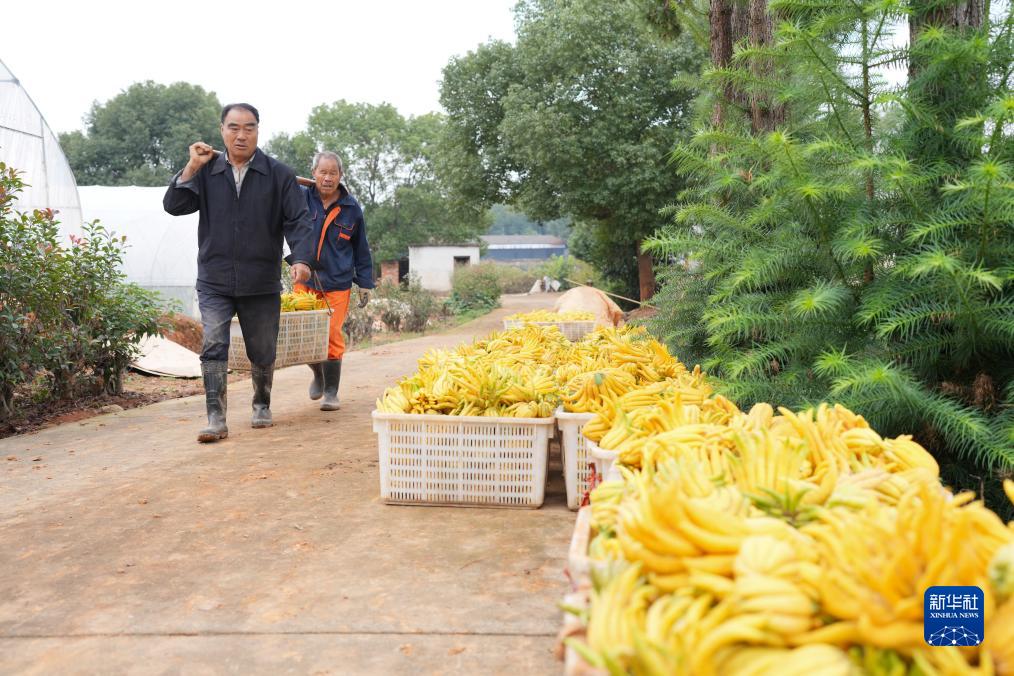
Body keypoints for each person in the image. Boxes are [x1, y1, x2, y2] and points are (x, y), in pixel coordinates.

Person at [163, 102, 315, 443]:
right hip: (215, 278)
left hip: (260, 280)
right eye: (233, 127)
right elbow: (174, 206)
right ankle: (215, 417)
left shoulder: (278, 175)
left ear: (258, 131)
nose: (241, 134)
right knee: (214, 343)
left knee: (262, 349)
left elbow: (298, 221)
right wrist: (190, 166)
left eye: (248, 128)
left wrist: (301, 259)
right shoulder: (207, 171)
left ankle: (261, 401)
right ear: (222, 131)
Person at [294, 151, 374, 411]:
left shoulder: (351, 209)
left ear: (340, 176)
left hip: (337, 282)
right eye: (323, 172)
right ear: (313, 173)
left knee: (331, 336)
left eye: (333, 173)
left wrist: (365, 283)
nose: (327, 178)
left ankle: (331, 391)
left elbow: (362, 249)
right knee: (302, 335)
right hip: (305, 279)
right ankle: (318, 372)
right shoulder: (300, 199)